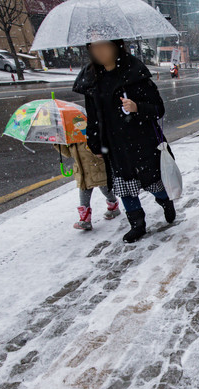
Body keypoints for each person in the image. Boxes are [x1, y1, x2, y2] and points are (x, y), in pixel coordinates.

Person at [73, 39, 176, 244]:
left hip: (143, 143)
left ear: (116, 46)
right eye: (93, 46)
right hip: (115, 145)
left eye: (103, 45)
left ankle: (165, 202)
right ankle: (137, 224)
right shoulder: (92, 79)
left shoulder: (135, 73)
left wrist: (137, 108)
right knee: (124, 186)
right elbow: (93, 118)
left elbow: (158, 109)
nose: (99, 51)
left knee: (153, 183)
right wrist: (95, 142)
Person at [54, 142, 121, 231]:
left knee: (104, 188)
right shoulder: (70, 136)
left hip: (95, 168)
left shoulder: (87, 131)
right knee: (84, 190)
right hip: (82, 172)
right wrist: (59, 142)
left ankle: (113, 205)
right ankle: (85, 220)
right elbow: (68, 154)